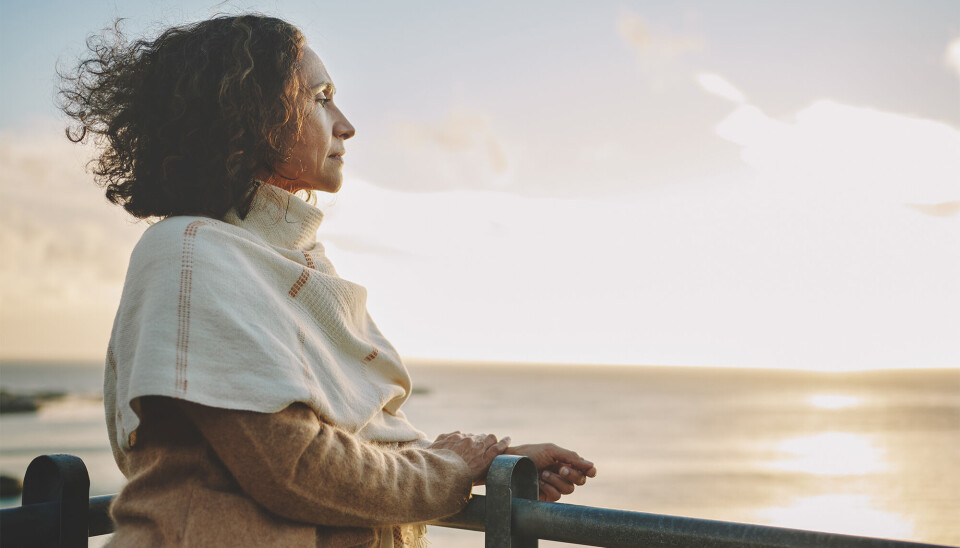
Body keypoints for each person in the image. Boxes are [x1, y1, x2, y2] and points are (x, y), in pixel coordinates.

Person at [59, 14, 597, 547]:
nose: (345, 124)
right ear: (251, 115)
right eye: (321, 97)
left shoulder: (290, 261)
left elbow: (356, 446)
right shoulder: (190, 251)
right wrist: (452, 467)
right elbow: (297, 468)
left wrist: (493, 461)